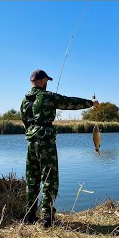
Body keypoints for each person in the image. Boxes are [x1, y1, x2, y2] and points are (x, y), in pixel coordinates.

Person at [20, 69, 99, 228]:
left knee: (32, 179)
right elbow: (70, 102)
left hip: (31, 141)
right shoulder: (47, 97)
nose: (47, 84)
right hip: (46, 141)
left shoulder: (24, 101)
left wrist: (33, 131)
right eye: (47, 81)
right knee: (49, 178)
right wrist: (91, 103)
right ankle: (47, 219)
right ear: (42, 81)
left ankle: (30, 216)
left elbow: (25, 122)